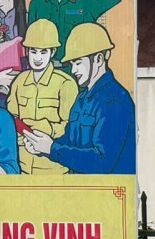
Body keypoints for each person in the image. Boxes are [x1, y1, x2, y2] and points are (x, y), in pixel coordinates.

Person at [21, 22, 134, 174]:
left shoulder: (114, 101)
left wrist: (51, 148)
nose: (73, 70)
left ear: (99, 59)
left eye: (78, 63)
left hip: (107, 192)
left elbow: (102, 161)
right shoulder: (82, 99)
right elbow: (70, 141)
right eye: (72, 63)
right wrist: (42, 146)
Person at [6, 19, 78, 175]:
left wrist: (47, 129)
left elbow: (72, 127)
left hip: (54, 169)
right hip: (22, 166)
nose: (37, 58)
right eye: (34, 51)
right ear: (27, 52)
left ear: (52, 53)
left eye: (43, 52)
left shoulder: (65, 84)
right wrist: (23, 139)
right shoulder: (19, 81)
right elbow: (11, 119)